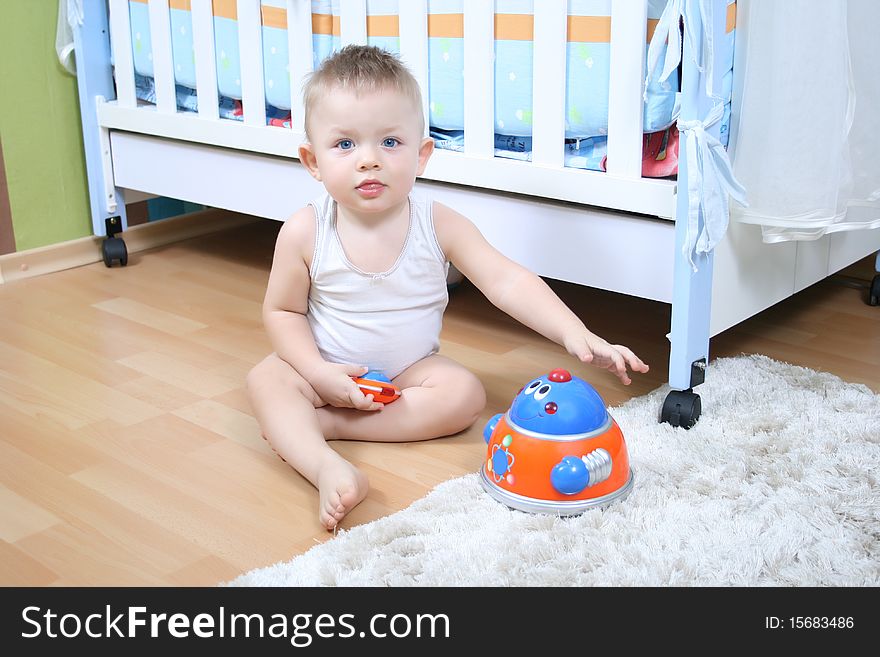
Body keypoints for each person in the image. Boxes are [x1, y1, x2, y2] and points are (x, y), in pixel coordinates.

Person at [246, 45, 649, 530]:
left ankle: (325, 425)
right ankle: (324, 465)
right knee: (267, 380)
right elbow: (283, 313)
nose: (369, 160)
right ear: (313, 161)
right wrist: (317, 373)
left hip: (409, 371)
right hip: (324, 365)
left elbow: (506, 279)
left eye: (390, 143)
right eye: (346, 145)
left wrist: (574, 332)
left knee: (464, 395)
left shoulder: (439, 224)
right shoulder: (304, 230)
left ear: (422, 155)